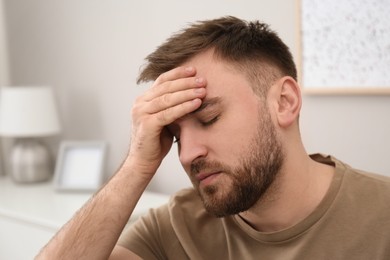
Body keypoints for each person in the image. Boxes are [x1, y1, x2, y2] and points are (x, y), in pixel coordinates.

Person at [37, 16, 390, 259]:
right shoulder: (174, 229)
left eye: (209, 118)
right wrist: (135, 167)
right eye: (174, 136)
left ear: (285, 103)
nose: (188, 154)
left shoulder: (381, 217)